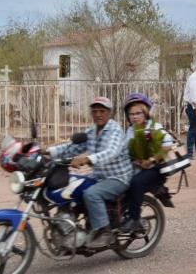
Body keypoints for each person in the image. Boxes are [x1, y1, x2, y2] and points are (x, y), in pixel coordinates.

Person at [45, 96, 133, 248]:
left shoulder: (115, 130)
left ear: (109, 113)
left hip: (117, 177)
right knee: (70, 186)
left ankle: (104, 232)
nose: (98, 114)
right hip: (98, 175)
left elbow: (111, 152)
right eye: (95, 111)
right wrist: (46, 152)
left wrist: (87, 159)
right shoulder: (92, 131)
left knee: (92, 194)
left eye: (102, 111)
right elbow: (72, 148)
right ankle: (72, 226)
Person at [120, 93, 174, 233]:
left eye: (138, 113)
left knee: (136, 182)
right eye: (131, 114)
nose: (134, 116)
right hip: (137, 166)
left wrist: (150, 160)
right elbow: (125, 151)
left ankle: (134, 219)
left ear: (145, 112)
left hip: (155, 169)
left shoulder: (154, 127)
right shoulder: (130, 130)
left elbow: (168, 145)